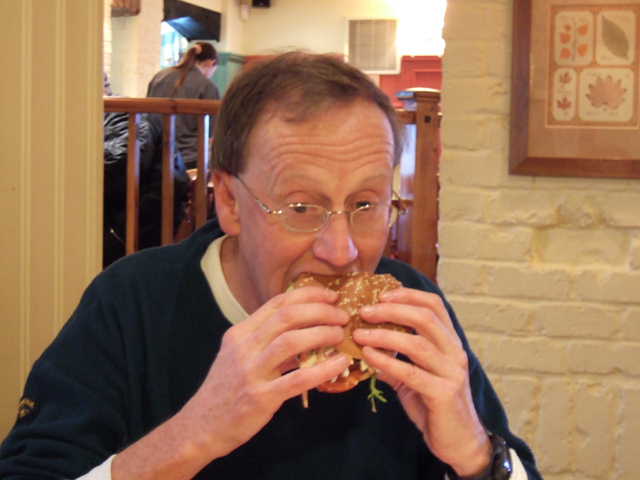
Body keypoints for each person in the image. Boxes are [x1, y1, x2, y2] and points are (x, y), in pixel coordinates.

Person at [0, 52, 541, 480]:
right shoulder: (133, 303)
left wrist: (475, 455)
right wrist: (193, 435)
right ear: (230, 202)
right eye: (301, 208)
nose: (342, 251)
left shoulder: (411, 310)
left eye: (365, 204)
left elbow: (505, 464)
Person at [146, 41, 220, 169]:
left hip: (155, 154)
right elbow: (211, 134)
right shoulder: (207, 86)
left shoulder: (159, 76)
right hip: (190, 158)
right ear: (211, 63)